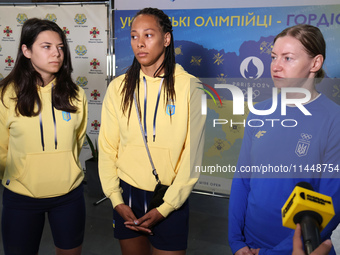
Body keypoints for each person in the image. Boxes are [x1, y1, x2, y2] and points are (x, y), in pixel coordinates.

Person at [99, 7, 205, 255]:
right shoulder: (118, 88)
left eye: (148, 35)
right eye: (134, 36)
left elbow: (193, 156)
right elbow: (107, 147)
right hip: (127, 197)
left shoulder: (191, 87)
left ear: (166, 39)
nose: (139, 43)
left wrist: (167, 207)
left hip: (169, 197)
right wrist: (116, 199)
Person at [228, 24, 340, 255]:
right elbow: (242, 180)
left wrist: (274, 254)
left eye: (288, 58)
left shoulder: (334, 120)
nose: (276, 66)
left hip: (302, 248)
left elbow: (330, 204)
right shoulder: (259, 112)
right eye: (273, 57)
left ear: (315, 63)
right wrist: (236, 242)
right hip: (250, 243)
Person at [0, 18, 88, 255]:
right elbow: (1, 150)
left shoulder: (76, 94)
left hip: (69, 196)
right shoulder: (5, 95)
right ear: (26, 51)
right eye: (46, 47)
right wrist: (21, 174)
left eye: (60, 47)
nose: (57, 54)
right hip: (21, 197)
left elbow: (77, 141)